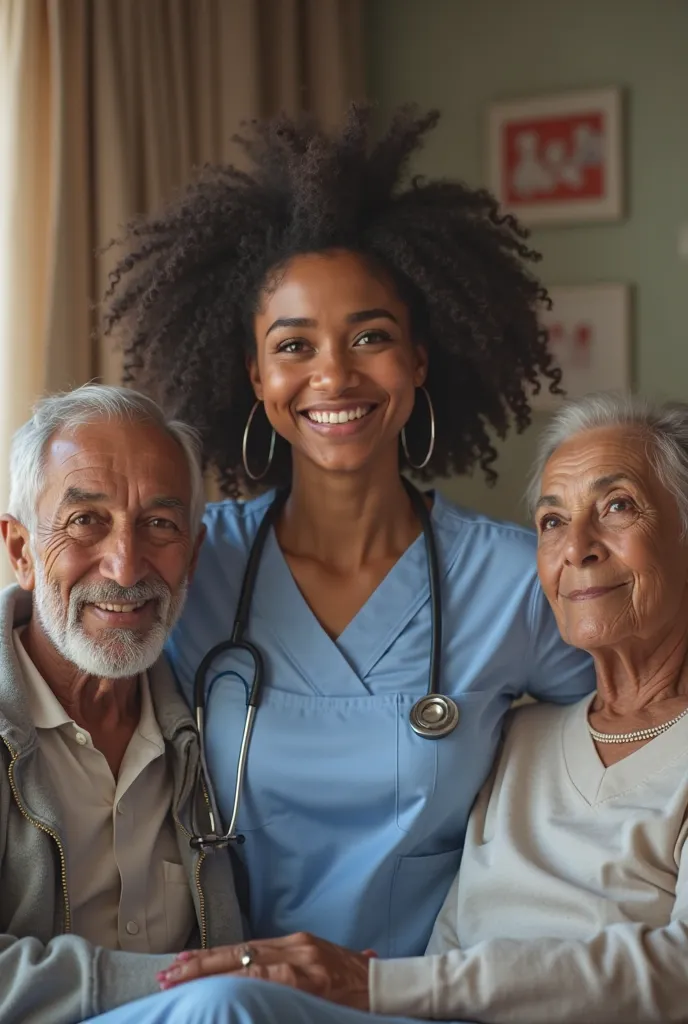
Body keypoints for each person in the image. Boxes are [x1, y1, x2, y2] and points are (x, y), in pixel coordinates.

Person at [96, 105, 595, 1023]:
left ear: (418, 356)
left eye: (369, 336)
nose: (333, 377)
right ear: (254, 376)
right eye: (294, 346)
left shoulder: (519, 582)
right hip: (228, 987)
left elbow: (649, 715)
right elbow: (55, 652)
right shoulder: (194, 567)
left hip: (410, 998)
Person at [118, 392, 688, 1024]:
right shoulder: (522, 738)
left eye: (618, 507)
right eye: (552, 520)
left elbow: (677, 970)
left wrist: (379, 987)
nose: (577, 546)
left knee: (226, 1005)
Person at [0, 385, 242, 1024]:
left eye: (159, 524)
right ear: (21, 550)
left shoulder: (209, 728)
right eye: (86, 521)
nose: (126, 562)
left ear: (191, 554)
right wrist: (187, 990)